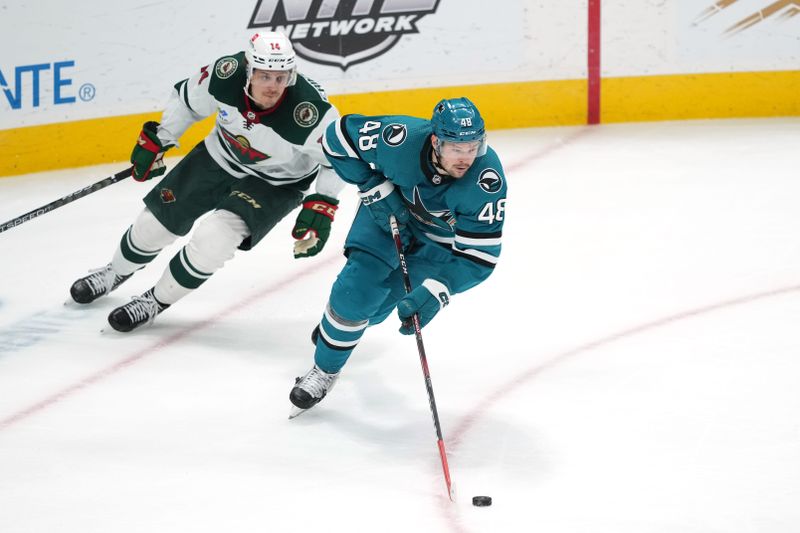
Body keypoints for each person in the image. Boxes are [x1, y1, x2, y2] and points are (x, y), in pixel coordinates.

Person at [68, 32, 345, 332]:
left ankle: (154, 301)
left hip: (278, 182)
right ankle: (114, 272)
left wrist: (323, 202)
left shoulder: (310, 112)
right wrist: (161, 139)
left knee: (214, 239)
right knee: (153, 225)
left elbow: (338, 158)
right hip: (219, 155)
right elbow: (187, 102)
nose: (273, 87)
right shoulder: (225, 74)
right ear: (248, 70)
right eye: (265, 76)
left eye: (281, 78)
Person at [289, 97, 507, 416]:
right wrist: (372, 186)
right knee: (354, 295)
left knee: (373, 313)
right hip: (386, 218)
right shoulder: (400, 137)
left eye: (472, 147)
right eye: (456, 148)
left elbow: (480, 256)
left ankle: (337, 332)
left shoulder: (486, 182)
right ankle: (324, 370)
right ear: (435, 141)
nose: (465, 158)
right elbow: (337, 136)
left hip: (437, 247)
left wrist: (439, 290)